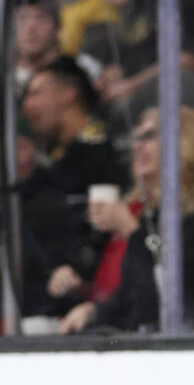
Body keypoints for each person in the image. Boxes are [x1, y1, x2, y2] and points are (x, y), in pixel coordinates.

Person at [59, 106, 194, 333]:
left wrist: (130, 229)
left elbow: (166, 297)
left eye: (148, 136)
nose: (137, 145)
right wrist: (93, 310)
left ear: (184, 143)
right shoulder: (151, 216)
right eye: (136, 138)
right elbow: (129, 297)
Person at [16, 56, 126, 323]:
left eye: (36, 94)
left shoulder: (95, 149)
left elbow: (98, 227)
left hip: (86, 295)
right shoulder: (58, 152)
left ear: (68, 94)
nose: (27, 106)